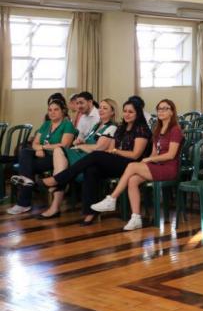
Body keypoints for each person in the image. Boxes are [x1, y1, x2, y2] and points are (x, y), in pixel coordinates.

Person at [38, 96, 152, 225]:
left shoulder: (141, 129)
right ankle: (90, 212)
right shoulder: (121, 128)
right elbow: (112, 147)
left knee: (96, 155)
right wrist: (111, 151)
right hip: (118, 160)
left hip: (131, 164)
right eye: (125, 111)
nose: (127, 114)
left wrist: (114, 152)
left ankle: (59, 179)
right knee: (90, 169)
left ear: (138, 113)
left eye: (131, 112)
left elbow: (135, 155)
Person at [91, 99, 183, 230]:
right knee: (133, 180)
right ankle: (136, 218)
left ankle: (112, 199)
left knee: (132, 166)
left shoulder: (175, 130)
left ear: (172, 112)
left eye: (165, 109)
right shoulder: (158, 130)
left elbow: (171, 155)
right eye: (159, 109)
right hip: (158, 166)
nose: (161, 111)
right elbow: (153, 153)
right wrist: (148, 160)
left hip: (169, 168)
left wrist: (148, 160)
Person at [39, 98, 119, 219]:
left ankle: (58, 187)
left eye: (105, 108)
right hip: (82, 154)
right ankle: (59, 184)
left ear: (113, 112)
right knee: (58, 151)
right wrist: (81, 141)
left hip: (91, 158)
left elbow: (98, 148)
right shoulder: (97, 125)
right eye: (100, 107)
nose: (101, 110)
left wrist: (81, 146)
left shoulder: (111, 127)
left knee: (59, 151)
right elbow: (89, 142)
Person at [6, 98, 77, 215]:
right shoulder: (46, 124)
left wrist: (42, 147)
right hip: (41, 156)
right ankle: (28, 183)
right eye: (50, 110)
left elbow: (64, 145)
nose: (52, 112)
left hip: (56, 158)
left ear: (63, 111)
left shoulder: (67, 125)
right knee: (25, 152)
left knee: (26, 167)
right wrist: (38, 148)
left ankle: (24, 202)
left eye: (56, 110)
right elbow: (35, 143)